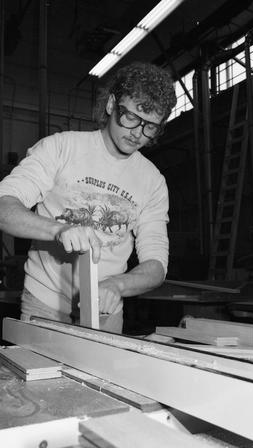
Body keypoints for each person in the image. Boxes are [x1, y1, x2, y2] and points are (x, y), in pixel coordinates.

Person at [0, 62, 177, 333]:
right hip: (44, 306)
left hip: (105, 313)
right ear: (111, 104)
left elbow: (156, 265)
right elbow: (4, 206)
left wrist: (117, 285)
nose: (138, 134)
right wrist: (59, 230)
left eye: (150, 126)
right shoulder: (61, 148)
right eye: (131, 118)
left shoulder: (152, 181)